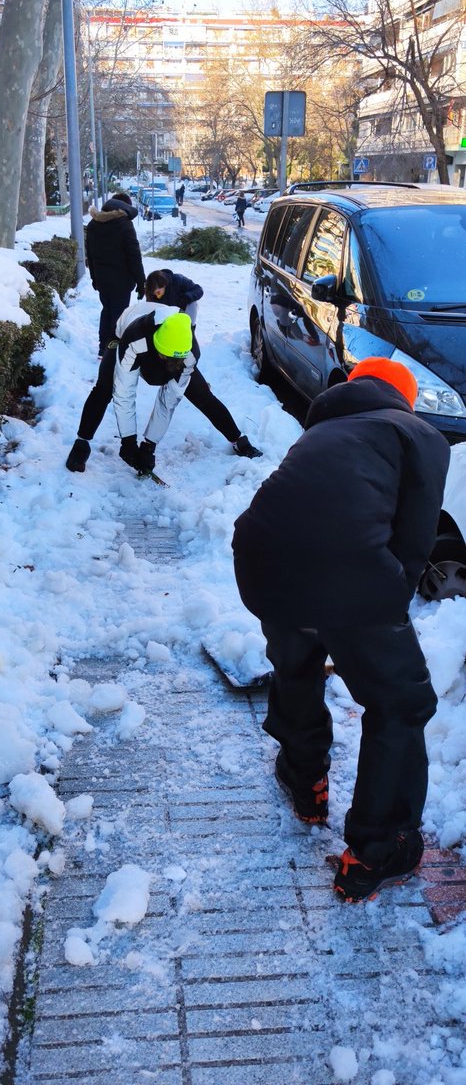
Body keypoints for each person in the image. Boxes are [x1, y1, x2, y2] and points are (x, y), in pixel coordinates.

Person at [232, 357, 450, 903]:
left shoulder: (322, 430)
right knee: (401, 706)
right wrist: (376, 617)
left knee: (297, 660)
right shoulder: (420, 435)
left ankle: (304, 780)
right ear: (406, 398)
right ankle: (378, 850)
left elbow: (304, 511)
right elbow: (414, 540)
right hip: (347, 572)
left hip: (261, 564)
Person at [65, 297, 262, 473]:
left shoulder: (189, 352)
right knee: (105, 388)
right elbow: (125, 394)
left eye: (175, 362)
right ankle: (81, 443)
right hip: (124, 335)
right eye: (166, 360)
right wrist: (128, 441)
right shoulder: (135, 339)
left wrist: (149, 445)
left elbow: (168, 401)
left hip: (171, 346)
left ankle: (238, 439)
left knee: (201, 394)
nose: (169, 367)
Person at [86, 191, 146, 356]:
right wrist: (142, 283)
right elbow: (134, 255)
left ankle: (103, 348)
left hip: (102, 281)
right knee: (119, 316)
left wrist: (94, 279)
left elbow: (89, 256)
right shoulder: (124, 224)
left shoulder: (93, 225)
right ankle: (112, 351)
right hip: (122, 281)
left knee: (107, 311)